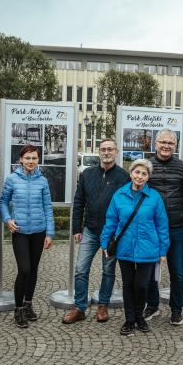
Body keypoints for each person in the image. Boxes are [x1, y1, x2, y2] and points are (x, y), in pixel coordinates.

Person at [62, 139, 130, 324]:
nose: (106, 152)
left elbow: (127, 206)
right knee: (80, 269)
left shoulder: (124, 177)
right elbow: (79, 202)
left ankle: (103, 306)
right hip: (90, 231)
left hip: (111, 234)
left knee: (108, 271)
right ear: (99, 152)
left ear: (116, 152)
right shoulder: (87, 174)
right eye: (103, 149)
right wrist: (77, 228)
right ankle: (80, 307)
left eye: (110, 149)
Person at [100, 159, 169, 336]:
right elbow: (111, 221)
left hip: (148, 249)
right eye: (137, 172)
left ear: (148, 177)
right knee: (128, 285)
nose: (139, 176)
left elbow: (162, 226)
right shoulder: (119, 195)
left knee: (141, 286)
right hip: (125, 248)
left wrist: (163, 251)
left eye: (144, 174)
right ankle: (130, 320)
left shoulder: (154, 197)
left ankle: (139, 316)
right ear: (131, 174)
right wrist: (104, 242)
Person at [0, 145, 54, 328]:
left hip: (39, 231)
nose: (31, 161)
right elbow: (3, 202)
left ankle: (28, 304)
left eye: (34, 158)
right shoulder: (12, 179)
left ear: (38, 160)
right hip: (20, 232)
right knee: (24, 269)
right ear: (21, 160)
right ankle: (18, 309)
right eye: (28, 158)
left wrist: (50, 232)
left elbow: (48, 207)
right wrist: (7, 219)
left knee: (33, 270)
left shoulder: (43, 181)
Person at [144, 129, 183, 326]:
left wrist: (179, 211)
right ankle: (152, 305)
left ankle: (176, 309)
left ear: (176, 146)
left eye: (170, 143)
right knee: (148, 270)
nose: (166, 146)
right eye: (162, 142)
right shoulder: (147, 166)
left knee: (178, 271)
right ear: (155, 144)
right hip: (150, 228)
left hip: (175, 227)